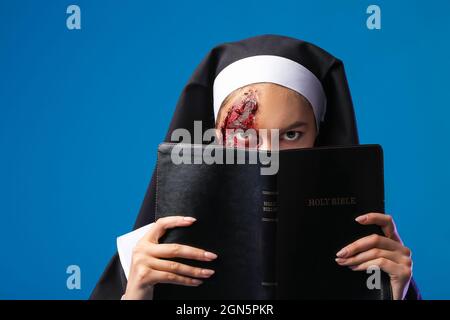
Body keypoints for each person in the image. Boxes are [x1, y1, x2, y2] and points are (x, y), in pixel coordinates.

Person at [90, 34, 421, 300]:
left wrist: (395, 293)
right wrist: (136, 295)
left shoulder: (373, 256)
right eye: (242, 134)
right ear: (214, 138)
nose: (268, 156)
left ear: (319, 136)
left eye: (291, 134)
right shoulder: (143, 255)